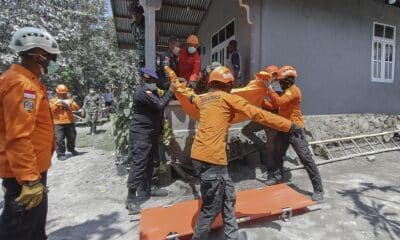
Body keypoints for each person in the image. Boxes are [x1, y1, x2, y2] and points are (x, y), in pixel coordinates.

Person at [189, 66, 300, 239]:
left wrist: (186, 92)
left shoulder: (204, 100)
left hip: (201, 157)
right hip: (213, 161)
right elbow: (258, 114)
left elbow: (192, 98)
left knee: (228, 196)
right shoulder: (229, 98)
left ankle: (232, 236)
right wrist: (289, 125)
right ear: (228, 84)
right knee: (211, 207)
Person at [0, 27, 60, 240]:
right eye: (51, 59)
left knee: (33, 230)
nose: (52, 64)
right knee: (21, 231)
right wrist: (29, 180)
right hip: (24, 176)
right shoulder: (20, 85)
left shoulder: (27, 82)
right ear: (38, 56)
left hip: (30, 171)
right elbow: (18, 135)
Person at [264, 65, 324, 201]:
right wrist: (260, 100)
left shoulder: (294, 90)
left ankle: (318, 189)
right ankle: (277, 177)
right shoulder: (283, 89)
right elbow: (274, 105)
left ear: (289, 80)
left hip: (295, 129)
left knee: (305, 158)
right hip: (283, 127)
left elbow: (279, 101)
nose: (278, 83)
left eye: (281, 81)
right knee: (278, 154)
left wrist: (269, 88)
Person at [126, 68, 176, 215]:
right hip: (141, 134)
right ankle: (130, 197)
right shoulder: (143, 92)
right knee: (140, 163)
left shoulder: (151, 93)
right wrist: (171, 91)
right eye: (150, 82)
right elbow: (160, 105)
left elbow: (157, 112)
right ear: (143, 81)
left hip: (151, 133)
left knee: (153, 161)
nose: (152, 84)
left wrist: (160, 131)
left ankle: (149, 187)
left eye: (153, 82)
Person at [241, 65, 281, 178]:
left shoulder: (277, 87)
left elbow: (274, 106)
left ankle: (271, 171)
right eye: (268, 76)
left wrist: (262, 101)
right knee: (246, 130)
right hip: (262, 117)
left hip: (272, 119)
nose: (270, 78)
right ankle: (262, 147)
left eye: (273, 76)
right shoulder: (262, 86)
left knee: (271, 146)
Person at [49, 84, 80, 161]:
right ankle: (61, 154)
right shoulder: (52, 101)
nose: (63, 94)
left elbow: (76, 108)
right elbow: (49, 110)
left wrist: (68, 105)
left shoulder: (70, 100)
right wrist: (57, 104)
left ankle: (71, 149)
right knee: (59, 138)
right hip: (58, 122)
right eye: (61, 93)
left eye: (64, 93)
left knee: (72, 137)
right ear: (57, 93)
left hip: (69, 121)